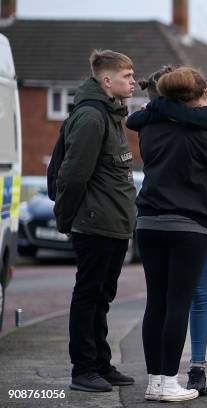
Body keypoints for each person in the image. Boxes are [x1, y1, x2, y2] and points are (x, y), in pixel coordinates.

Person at [127, 67, 207, 396]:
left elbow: (135, 121)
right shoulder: (199, 132)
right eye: (202, 97)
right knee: (191, 297)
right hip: (195, 218)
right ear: (193, 97)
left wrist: (160, 109)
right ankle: (192, 370)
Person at [53, 49, 137, 392]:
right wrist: (66, 218)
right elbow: (73, 175)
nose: (133, 82)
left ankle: (101, 364)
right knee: (88, 296)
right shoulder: (91, 117)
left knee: (102, 297)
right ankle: (83, 369)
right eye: (127, 77)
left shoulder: (112, 113)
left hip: (112, 223)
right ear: (106, 80)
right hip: (93, 224)